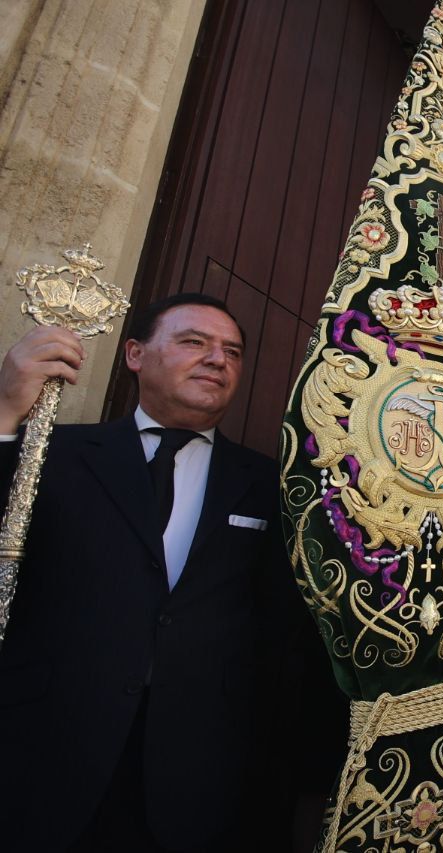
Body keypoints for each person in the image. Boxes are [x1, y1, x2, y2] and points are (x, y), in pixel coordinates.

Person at [0, 293, 313, 851]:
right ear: (135, 354)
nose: (218, 359)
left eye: (233, 352)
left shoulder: (273, 486)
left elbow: (283, 629)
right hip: (49, 753)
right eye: (194, 342)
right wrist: (4, 412)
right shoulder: (57, 453)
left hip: (194, 779)